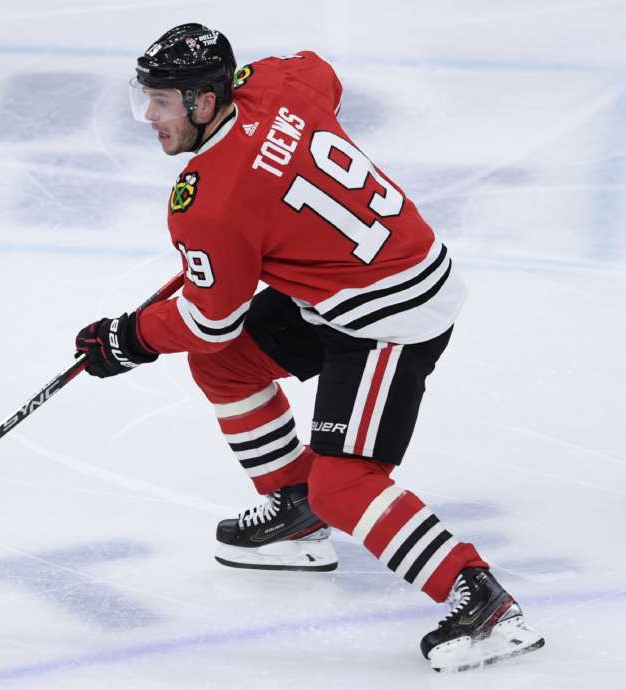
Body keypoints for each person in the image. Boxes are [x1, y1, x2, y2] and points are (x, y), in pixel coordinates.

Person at [73, 22, 544, 672]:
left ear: (205, 102)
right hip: (348, 284)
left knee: (345, 484)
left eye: (162, 100)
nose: (148, 115)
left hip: (391, 313)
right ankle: (294, 511)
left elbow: (210, 316)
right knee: (227, 364)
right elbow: (323, 73)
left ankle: (483, 601)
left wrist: (130, 338)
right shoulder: (276, 83)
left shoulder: (208, 203)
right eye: (144, 98)